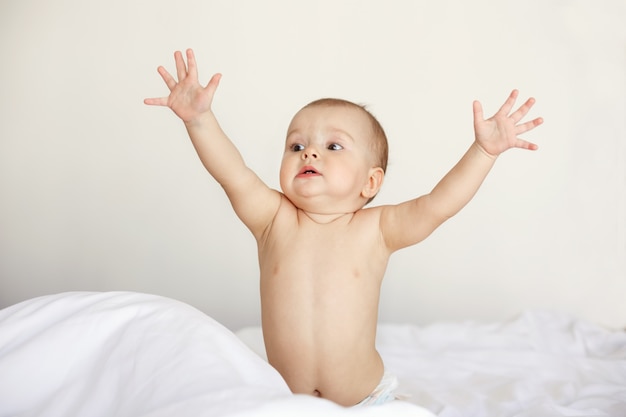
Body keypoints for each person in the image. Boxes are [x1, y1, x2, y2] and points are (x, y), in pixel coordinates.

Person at [144, 48, 543, 407]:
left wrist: (483, 151)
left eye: (333, 146)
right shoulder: (273, 220)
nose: (310, 152)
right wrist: (199, 120)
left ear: (370, 182)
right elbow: (232, 173)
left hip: (367, 400)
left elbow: (438, 205)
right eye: (296, 145)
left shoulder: (378, 229)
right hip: (286, 400)